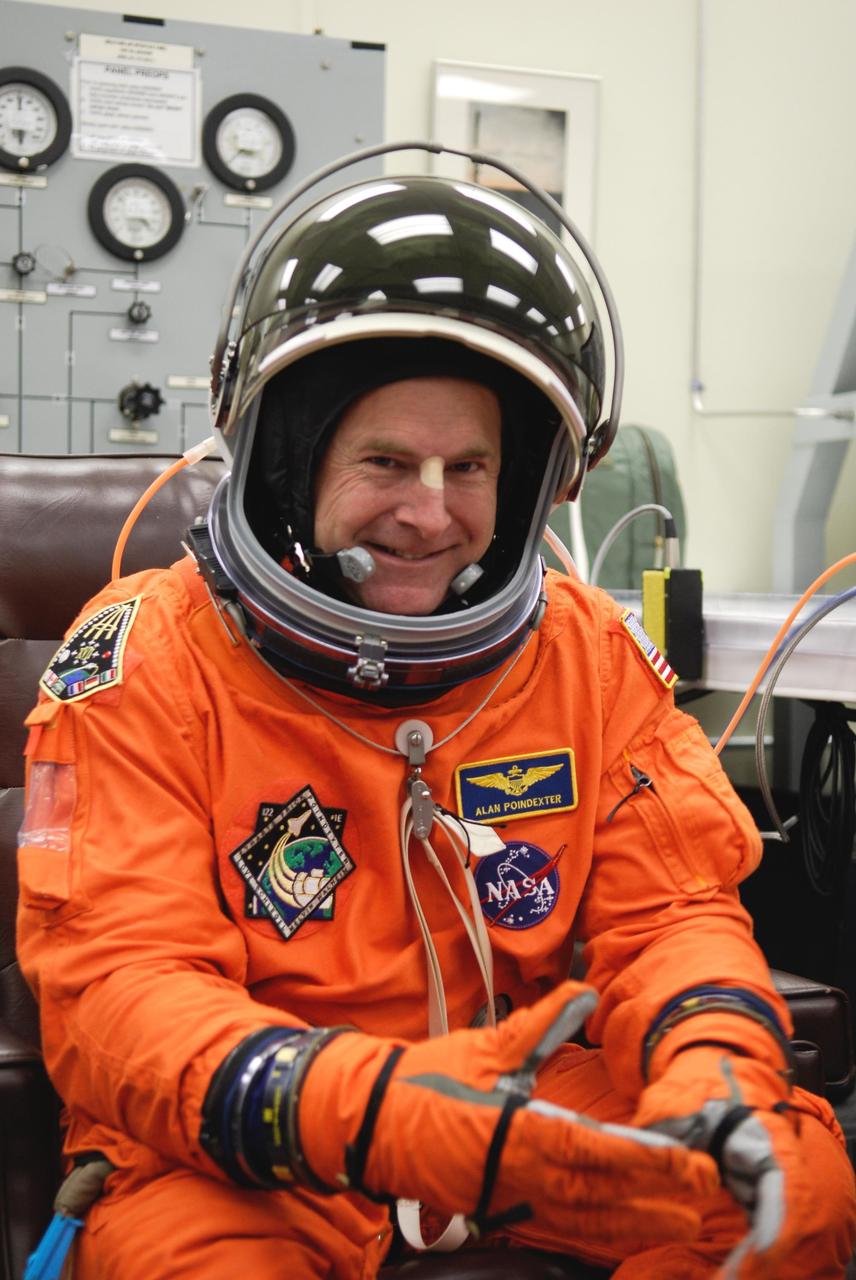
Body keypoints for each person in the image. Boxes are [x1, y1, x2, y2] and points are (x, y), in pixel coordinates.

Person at [17, 153, 856, 1280]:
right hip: (253, 1127)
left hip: (520, 1089)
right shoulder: (144, 659)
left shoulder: (579, 649)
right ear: (287, 463)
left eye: (469, 465)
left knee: (783, 1189)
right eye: (383, 460)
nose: (429, 510)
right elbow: (121, 989)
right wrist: (374, 1113)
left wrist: (713, 1062)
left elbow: (669, 915)